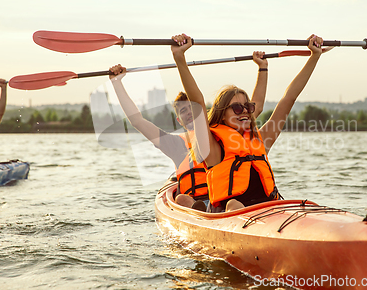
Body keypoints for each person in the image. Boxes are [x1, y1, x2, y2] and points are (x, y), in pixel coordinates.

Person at [171, 33, 324, 212]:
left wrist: (314, 57)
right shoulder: (211, 148)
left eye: (247, 107)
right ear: (222, 115)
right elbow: (197, 100)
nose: (244, 111)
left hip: (267, 210)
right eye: (236, 108)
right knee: (234, 204)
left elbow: (288, 98)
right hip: (229, 214)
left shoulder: (260, 140)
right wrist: (179, 58)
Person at [108, 56, 268, 211]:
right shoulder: (175, 144)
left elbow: (255, 107)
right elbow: (138, 121)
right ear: (179, 120)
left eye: (192, 108)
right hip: (195, 203)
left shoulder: (220, 135)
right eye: (184, 110)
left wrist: (262, 68)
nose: (190, 112)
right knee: (181, 199)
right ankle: (196, 209)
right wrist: (117, 83)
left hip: (225, 202)